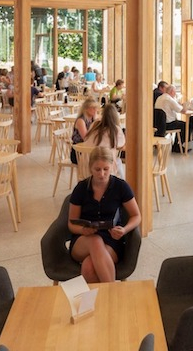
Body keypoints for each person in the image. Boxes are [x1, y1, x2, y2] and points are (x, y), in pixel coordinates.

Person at [68, 147, 141, 283]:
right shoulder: (81, 188)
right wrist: (83, 230)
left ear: (113, 166)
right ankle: (112, 295)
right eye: (97, 169)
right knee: (95, 240)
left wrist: (124, 230)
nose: (102, 174)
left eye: (105, 169)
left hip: (111, 239)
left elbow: (136, 216)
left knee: (89, 266)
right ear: (90, 168)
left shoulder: (121, 187)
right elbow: (71, 223)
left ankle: (94, 304)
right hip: (83, 239)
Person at [80, 103, 126, 174]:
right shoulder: (116, 130)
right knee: (118, 161)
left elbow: (86, 139)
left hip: (86, 165)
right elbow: (122, 146)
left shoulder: (94, 125)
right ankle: (121, 184)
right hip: (104, 167)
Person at [69, 97, 100, 164]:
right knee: (98, 160)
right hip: (78, 151)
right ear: (86, 109)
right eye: (93, 108)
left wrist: (95, 120)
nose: (96, 110)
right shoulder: (81, 120)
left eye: (96, 108)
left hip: (88, 149)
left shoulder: (92, 119)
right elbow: (86, 138)